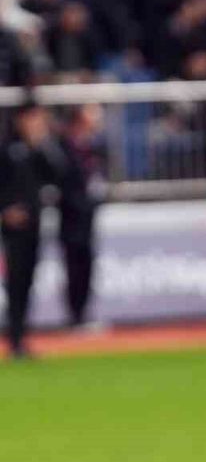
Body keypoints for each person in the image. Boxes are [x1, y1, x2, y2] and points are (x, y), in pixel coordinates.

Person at [1, 102, 60, 359]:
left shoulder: (41, 151)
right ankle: (14, 338)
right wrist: (5, 211)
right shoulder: (8, 150)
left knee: (27, 281)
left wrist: (43, 146)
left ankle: (21, 337)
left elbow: (59, 174)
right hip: (12, 228)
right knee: (15, 282)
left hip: (34, 224)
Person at [58, 103, 108, 330]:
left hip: (88, 217)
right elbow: (65, 183)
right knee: (74, 267)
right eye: (93, 116)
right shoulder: (65, 147)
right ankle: (75, 315)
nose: (97, 121)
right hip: (71, 218)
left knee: (87, 266)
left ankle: (83, 314)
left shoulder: (94, 147)